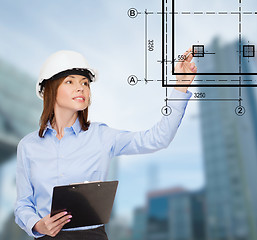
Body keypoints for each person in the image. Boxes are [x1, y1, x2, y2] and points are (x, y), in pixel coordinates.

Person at [14, 49, 197, 240]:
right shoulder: (28, 146)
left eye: (85, 83)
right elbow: (23, 204)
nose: (81, 88)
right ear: (50, 89)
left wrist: (180, 87)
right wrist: (37, 225)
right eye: (70, 81)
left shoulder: (102, 136)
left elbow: (158, 138)